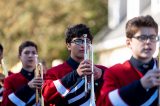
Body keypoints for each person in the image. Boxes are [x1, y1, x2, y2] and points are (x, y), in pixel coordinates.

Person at [97, 15, 160, 106]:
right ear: (128, 43)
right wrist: (140, 86)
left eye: (152, 37)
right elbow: (103, 104)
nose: (148, 42)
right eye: (142, 37)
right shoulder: (115, 72)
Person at [42, 24, 107, 105]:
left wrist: (101, 74)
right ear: (68, 45)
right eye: (78, 41)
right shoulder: (54, 72)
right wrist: (76, 74)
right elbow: (46, 95)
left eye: (87, 41)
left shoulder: (101, 70)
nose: (83, 45)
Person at [2, 41, 43, 106]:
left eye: (33, 53)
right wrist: (28, 87)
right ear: (19, 56)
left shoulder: (45, 78)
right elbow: (6, 104)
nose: (30, 55)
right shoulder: (10, 80)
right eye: (26, 53)